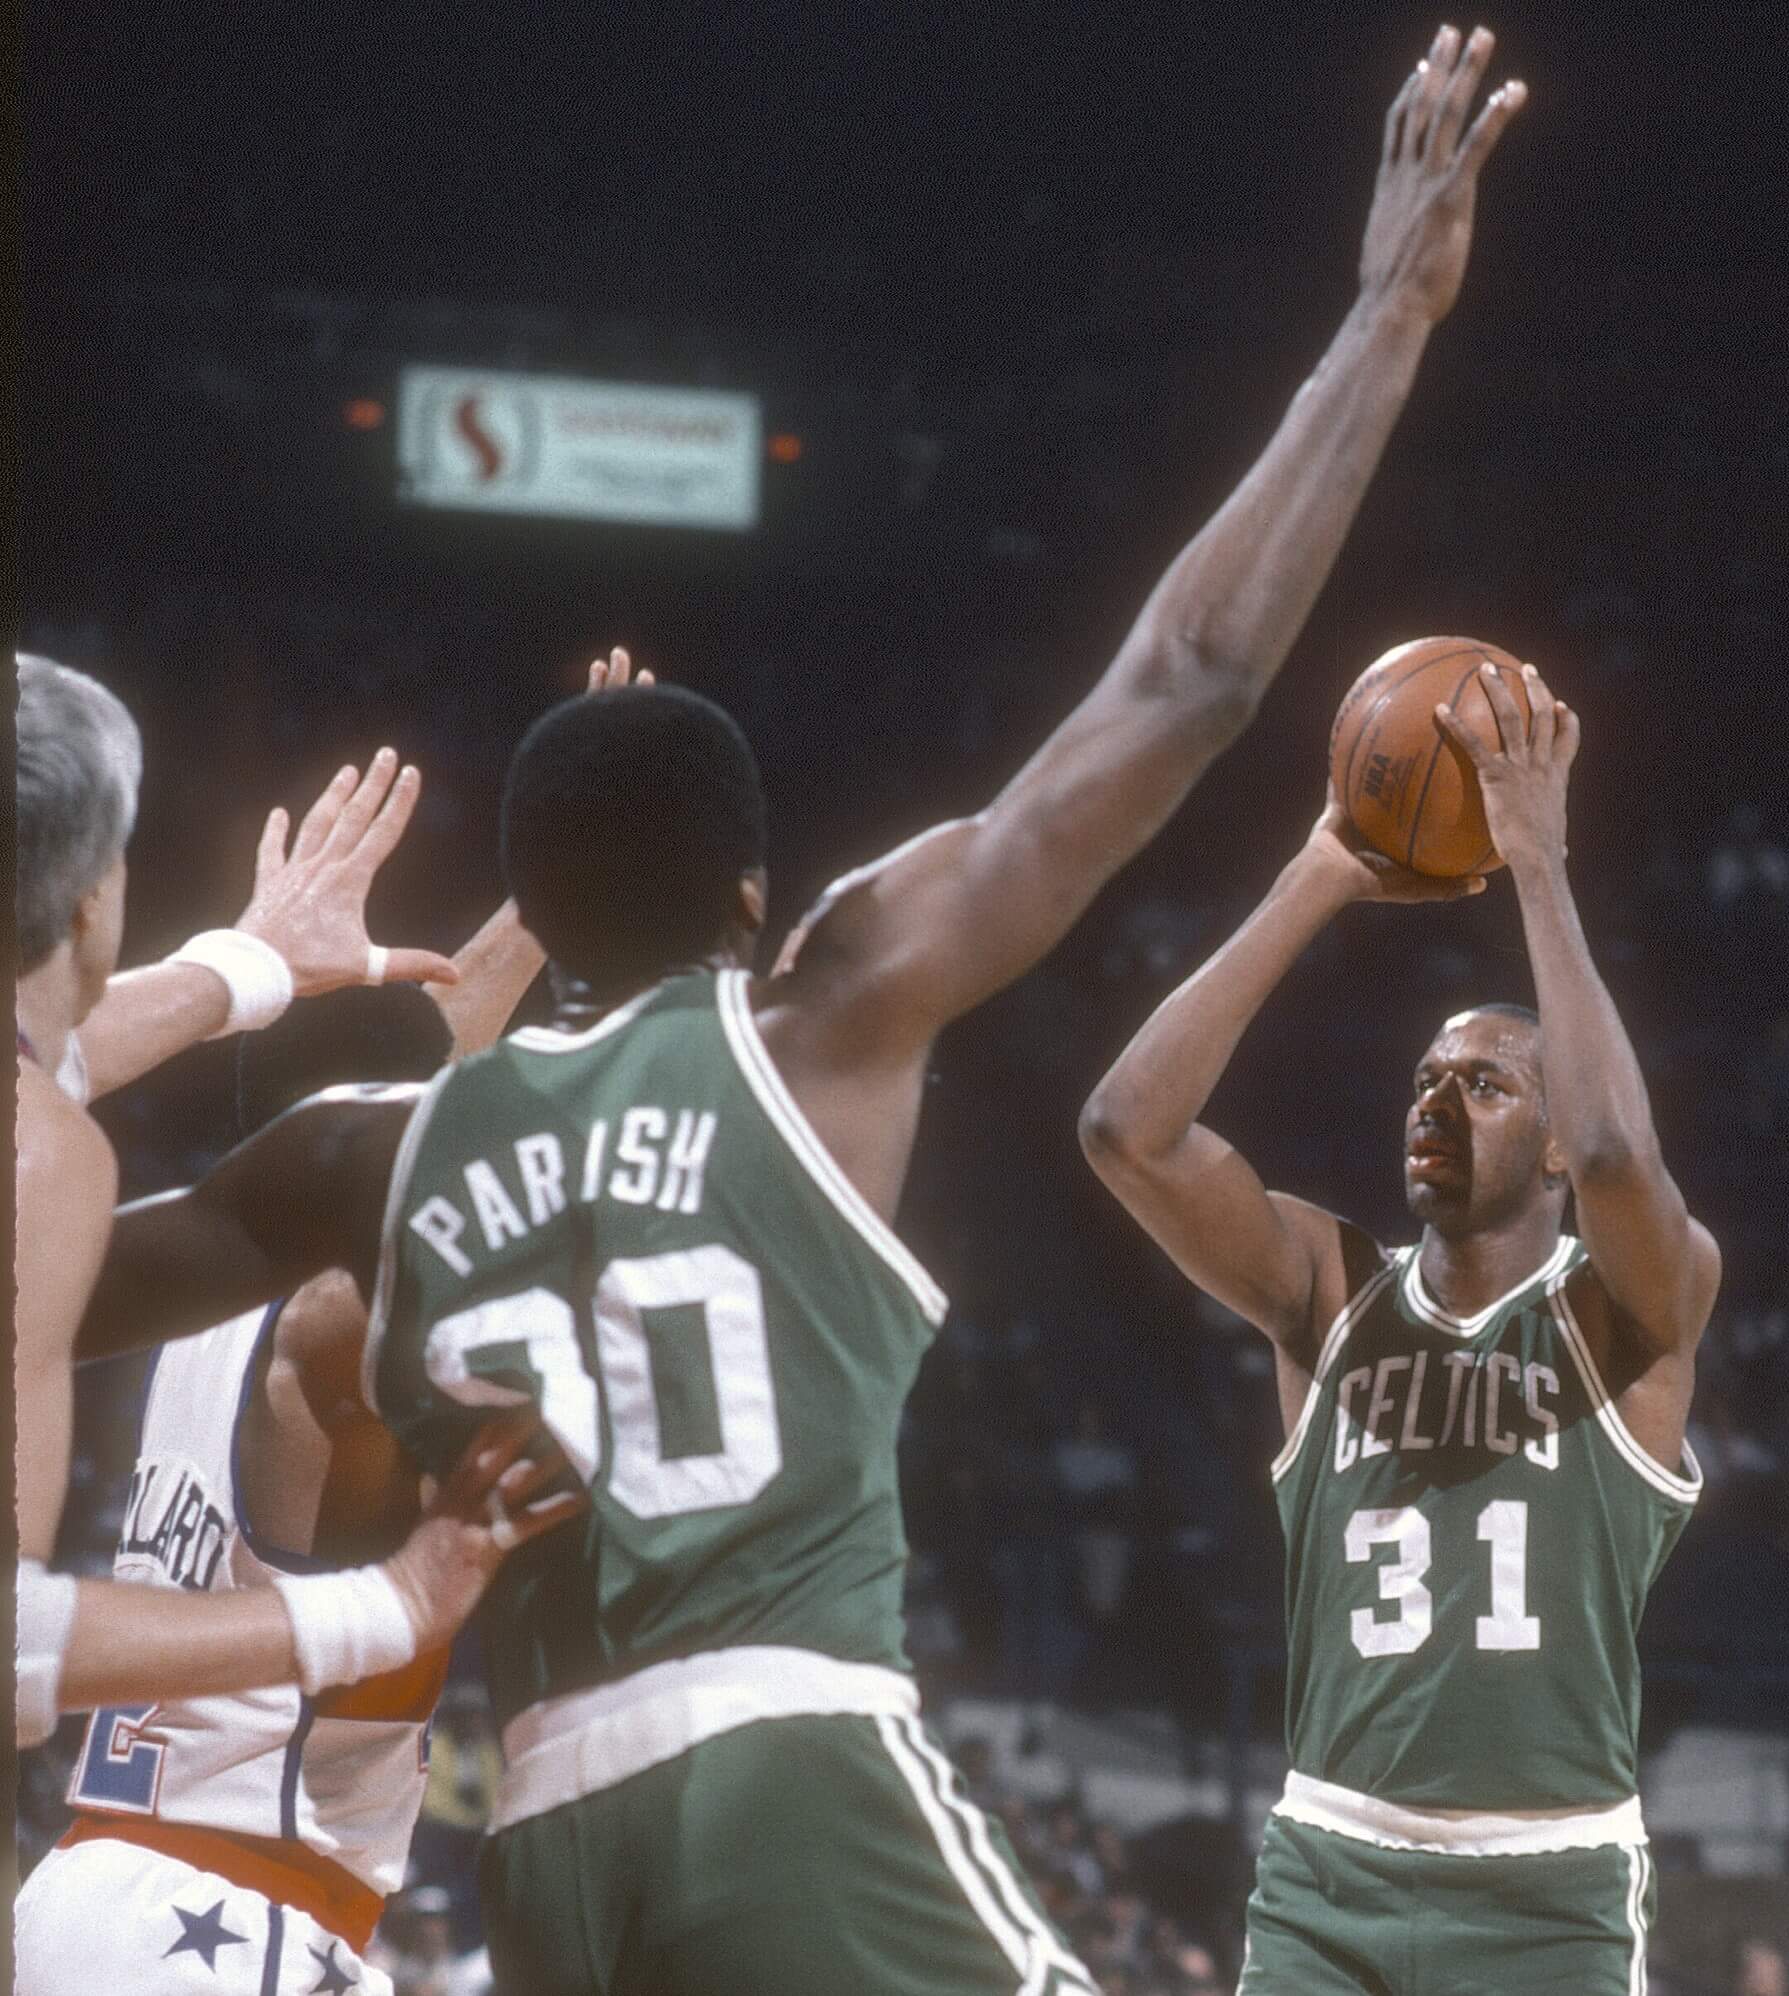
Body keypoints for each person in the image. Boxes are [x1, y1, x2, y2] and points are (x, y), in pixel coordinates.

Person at [84, 33, 1528, 1993]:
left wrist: (207, 978)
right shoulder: (816, 1017)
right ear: (762, 896)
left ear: (536, 909)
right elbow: (1184, 678)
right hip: (785, 1756)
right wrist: (1383, 317)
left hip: (542, 1827)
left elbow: (50, 1257)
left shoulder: (366, 1155)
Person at [1081, 662, 1719, 1993]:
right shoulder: (1328, 1294)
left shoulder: (1627, 1313)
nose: (1434, 1099)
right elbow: (1122, 1132)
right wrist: (1317, 874)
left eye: (1483, 1084)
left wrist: (1536, 864)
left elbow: (1613, 1148)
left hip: (1549, 1890)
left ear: (1543, 1147)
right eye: (1424, 1081)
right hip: (1331, 1868)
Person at [18, 698, 568, 1996]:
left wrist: (561, 882)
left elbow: (398, 1097)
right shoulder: (346, 1322)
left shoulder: (202, 1282)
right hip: (228, 1914)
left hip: (99, 1891)